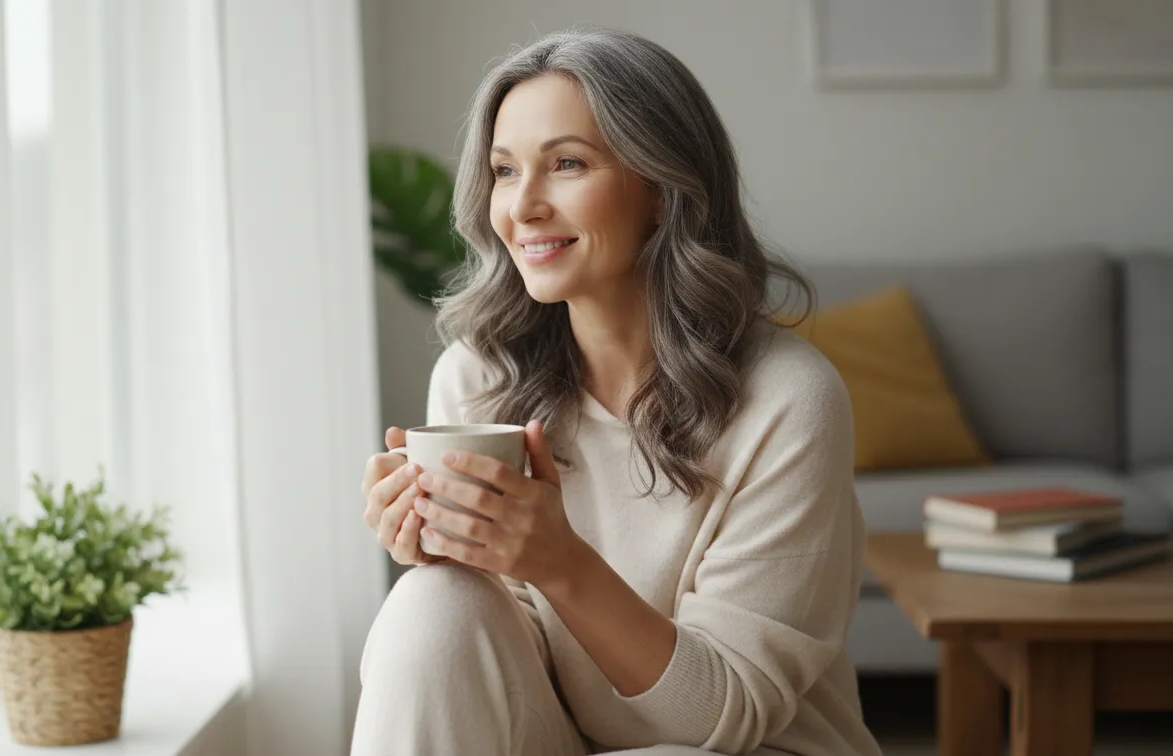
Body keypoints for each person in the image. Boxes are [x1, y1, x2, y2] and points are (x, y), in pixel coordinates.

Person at [352, 27, 882, 756]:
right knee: (433, 604)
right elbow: (496, 656)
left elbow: (720, 718)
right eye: (505, 171)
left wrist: (557, 559)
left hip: (741, 745)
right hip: (567, 737)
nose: (523, 206)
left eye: (566, 164)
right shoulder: (479, 377)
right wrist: (449, 548)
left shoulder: (788, 399)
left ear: (663, 190)